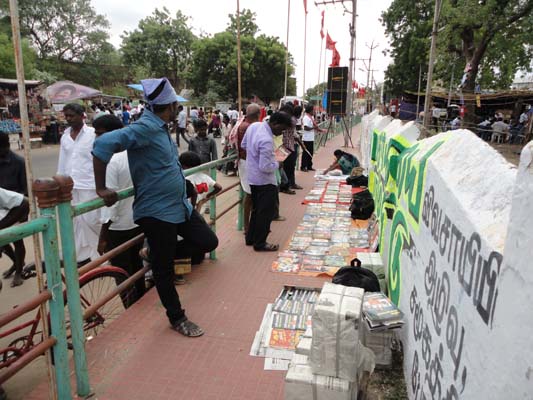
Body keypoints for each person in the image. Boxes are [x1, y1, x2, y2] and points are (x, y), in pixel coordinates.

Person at [93, 77, 218, 337]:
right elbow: (102, 144)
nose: (178, 111)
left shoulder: (160, 127)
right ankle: (177, 317)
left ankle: (155, 255)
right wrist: (101, 188)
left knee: (208, 241)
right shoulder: (145, 128)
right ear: (170, 106)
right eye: (176, 107)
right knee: (164, 270)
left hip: (177, 206)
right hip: (157, 211)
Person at [93, 115, 146, 302]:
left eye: (100, 134)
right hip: (137, 220)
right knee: (136, 266)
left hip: (118, 227)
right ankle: (140, 302)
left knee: (122, 271)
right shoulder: (133, 153)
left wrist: (103, 236)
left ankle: (131, 307)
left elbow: (110, 201)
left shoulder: (111, 161)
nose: (97, 138)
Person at [242, 111, 293, 252]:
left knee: (257, 210)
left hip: (252, 176)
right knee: (265, 213)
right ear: (275, 124)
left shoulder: (254, 126)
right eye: (282, 129)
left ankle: (251, 237)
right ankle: (260, 242)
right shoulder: (266, 140)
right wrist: (277, 163)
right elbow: (265, 167)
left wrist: (254, 154)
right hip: (264, 180)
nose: (281, 133)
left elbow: (244, 144)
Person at [57, 103, 101, 265]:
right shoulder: (65, 136)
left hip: (89, 184)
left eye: (72, 115)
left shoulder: (92, 134)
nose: (68, 119)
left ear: (82, 116)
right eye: (66, 116)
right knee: (75, 221)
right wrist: (59, 181)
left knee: (91, 220)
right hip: (71, 185)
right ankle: (82, 254)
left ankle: (100, 254)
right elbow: (63, 161)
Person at [0, 132, 28, 286]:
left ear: (6, 146)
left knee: (17, 240)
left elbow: (26, 190)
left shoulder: (19, 162)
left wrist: (22, 214)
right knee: (3, 240)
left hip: (16, 207)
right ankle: (17, 263)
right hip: (1, 205)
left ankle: (19, 272)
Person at [235, 103, 260, 237]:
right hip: (247, 162)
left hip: (246, 162)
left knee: (250, 195)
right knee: (250, 195)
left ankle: (248, 225)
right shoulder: (248, 127)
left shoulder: (244, 124)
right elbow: (249, 146)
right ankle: (247, 226)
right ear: (258, 115)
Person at [179, 151, 222, 215]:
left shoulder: (186, 179)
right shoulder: (205, 177)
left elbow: (194, 193)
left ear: (184, 166)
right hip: (201, 208)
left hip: (188, 211)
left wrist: (192, 210)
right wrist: (207, 196)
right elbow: (219, 187)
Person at [301, 104, 324, 172]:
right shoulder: (306, 118)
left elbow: (314, 126)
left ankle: (309, 166)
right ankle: (303, 166)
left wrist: (320, 130)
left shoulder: (311, 117)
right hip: (306, 138)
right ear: (310, 110)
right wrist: (314, 127)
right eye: (313, 110)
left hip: (311, 138)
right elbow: (306, 128)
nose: (314, 111)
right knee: (306, 153)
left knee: (310, 153)